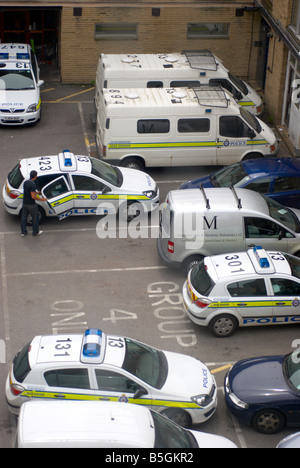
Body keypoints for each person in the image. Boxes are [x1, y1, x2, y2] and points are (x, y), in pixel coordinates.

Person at [21, 170, 47, 237]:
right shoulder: (33, 185)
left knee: (24, 218)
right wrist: (42, 199)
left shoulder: (26, 182)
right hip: (31, 205)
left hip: (24, 203)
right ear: (35, 176)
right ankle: (35, 232)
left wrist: (37, 192)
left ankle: (23, 232)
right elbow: (33, 196)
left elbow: (29, 192)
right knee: (35, 218)